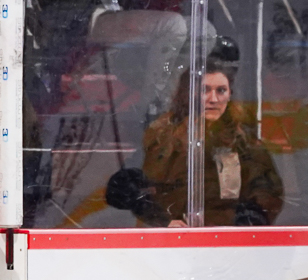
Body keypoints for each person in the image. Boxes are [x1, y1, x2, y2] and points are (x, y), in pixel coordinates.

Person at [108, 58, 284, 226]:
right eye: (205, 90)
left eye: (221, 90)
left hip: (228, 242)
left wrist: (246, 223)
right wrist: (162, 221)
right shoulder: (162, 137)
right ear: (189, 94)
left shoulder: (244, 140)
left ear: (230, 94)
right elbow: (124, 189)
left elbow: (267, 191)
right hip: (172, 242)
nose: (213, 99)